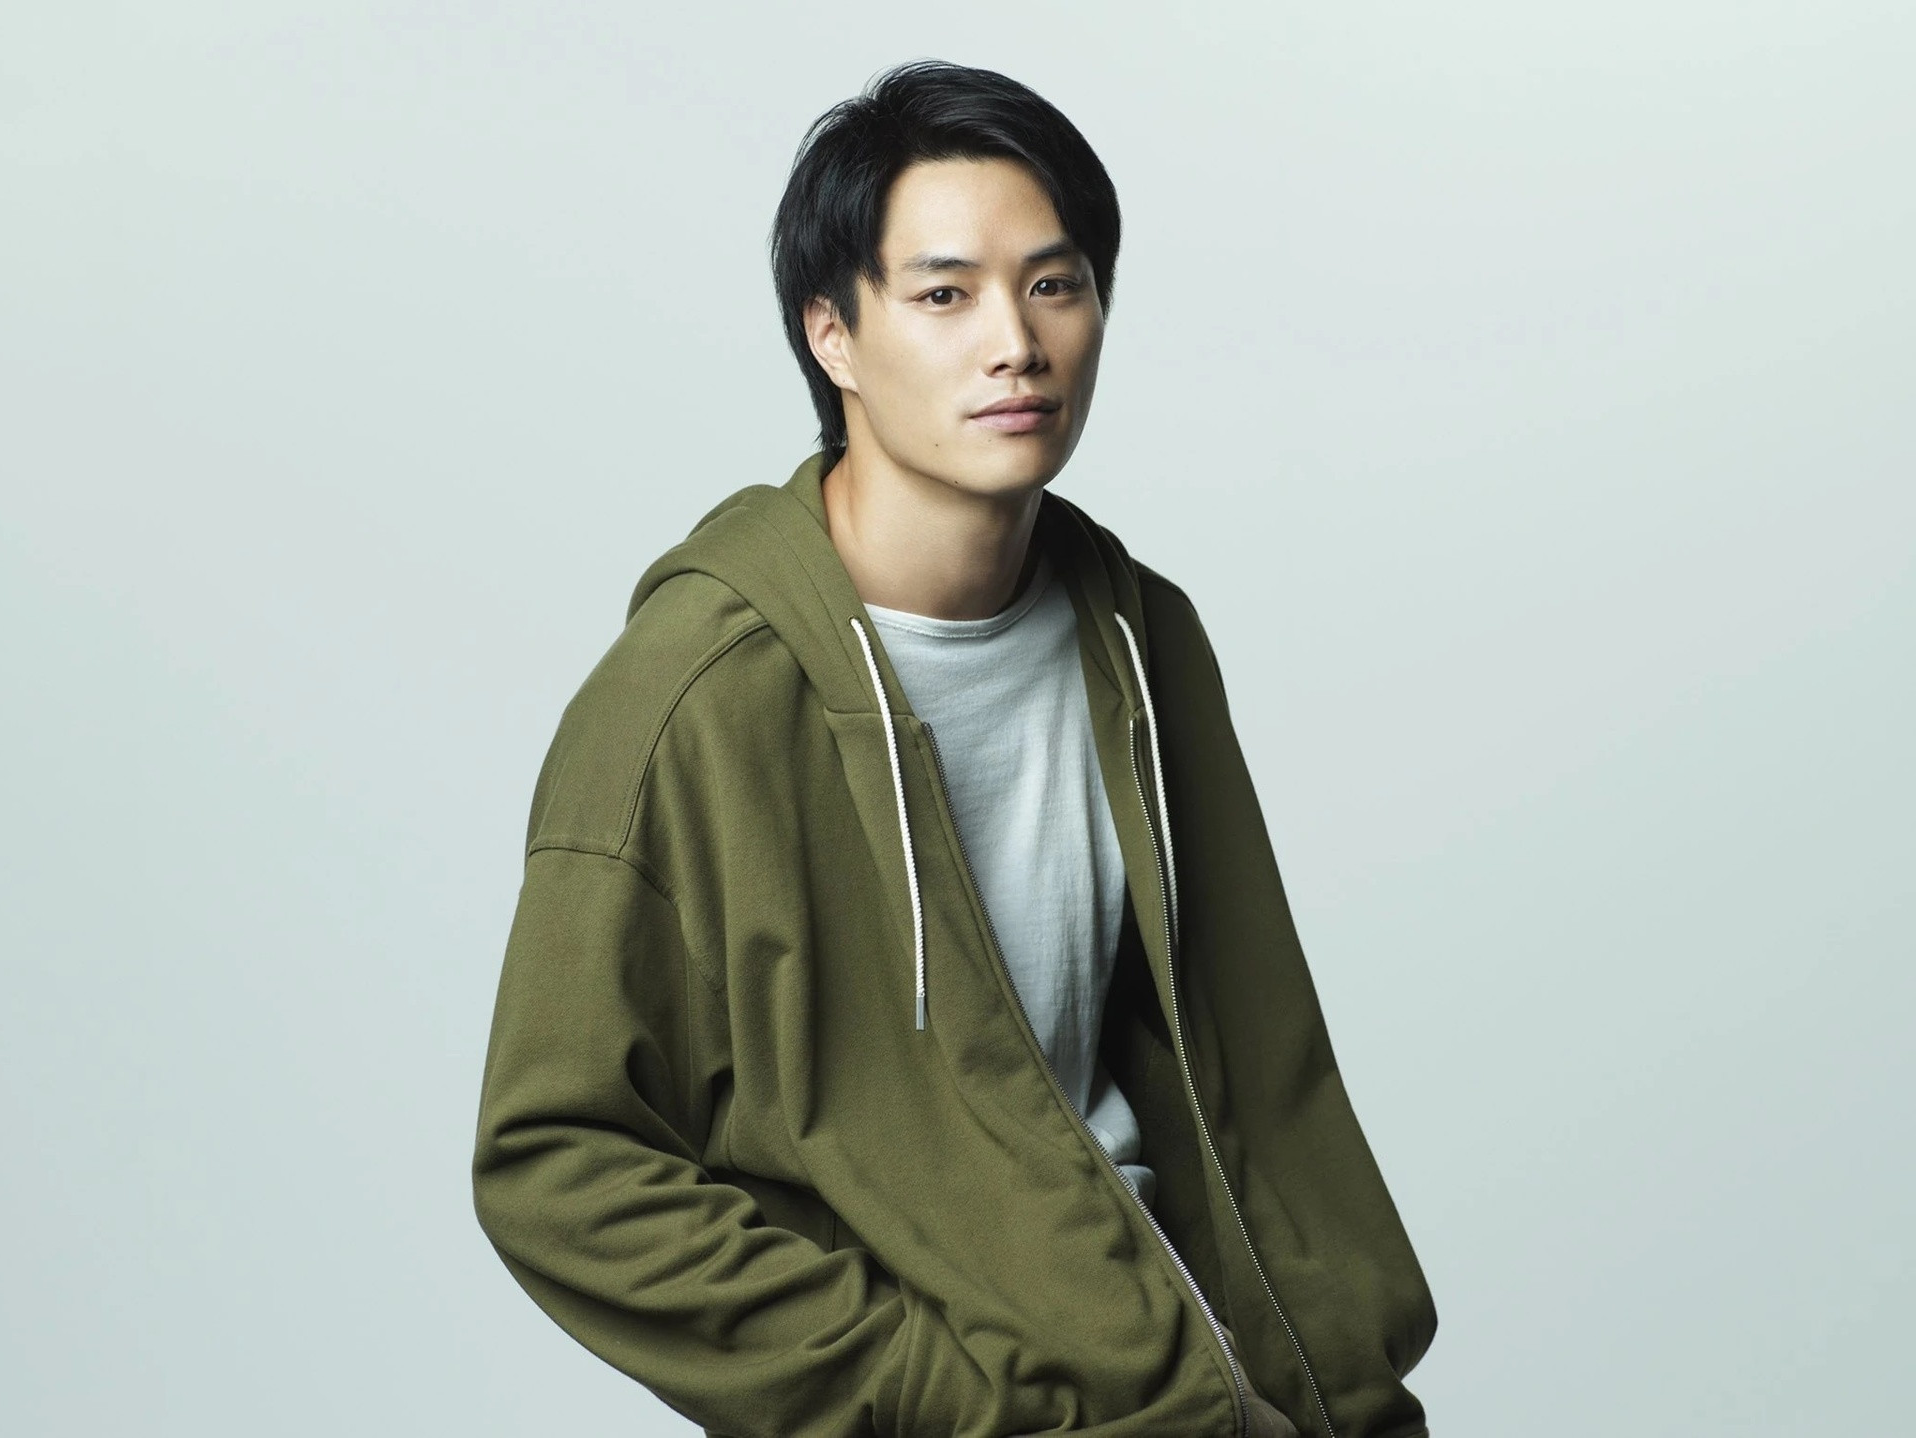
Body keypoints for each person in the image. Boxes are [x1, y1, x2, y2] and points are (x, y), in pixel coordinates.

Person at [472, 59, 1436, 1438]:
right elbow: (555, 1160)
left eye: (1055, 284)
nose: (1016, 343)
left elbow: (1257, 1092)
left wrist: (1348, 1395)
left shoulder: (1142, 641)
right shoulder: (696, 697)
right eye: (944, 295)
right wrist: (936, 1399)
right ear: (833, 334)